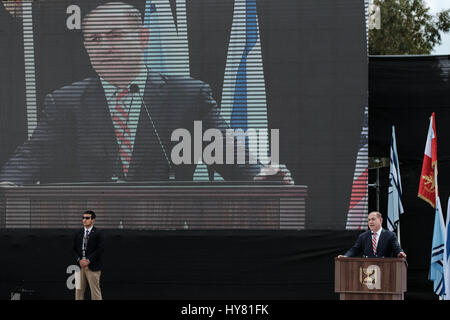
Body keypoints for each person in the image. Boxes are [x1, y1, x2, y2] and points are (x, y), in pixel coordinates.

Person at [0, 1, 293, 185]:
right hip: (91, 233)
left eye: (114, 35)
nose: (104, 47)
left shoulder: (188, 96)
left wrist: (259, 175)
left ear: (142, 38)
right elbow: (35, 152)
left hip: (163, 228)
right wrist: (7, 183)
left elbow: (226, 154)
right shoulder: (65, 101)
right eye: (94, 39)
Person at [338, 211, 407, 258]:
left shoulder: (390, 235)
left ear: (380, 220)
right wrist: (346, 256)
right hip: (367, 269)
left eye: (373, 219)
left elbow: (397, 248)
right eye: (369, 220)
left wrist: (400, 252)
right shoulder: (363, 236)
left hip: (385, 268)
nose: (370, 222)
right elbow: (355, 249)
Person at [73, 210, 104, 300]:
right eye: (83, 218)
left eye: (87, 218)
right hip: (79, 267)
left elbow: (100, 249)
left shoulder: (99, 233)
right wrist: (79, 260)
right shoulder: (78, 233)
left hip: (93, 266)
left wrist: (88, 260)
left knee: (95, 292)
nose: (84, 220)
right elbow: (73, 249)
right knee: (78, 292)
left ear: (93, 220)